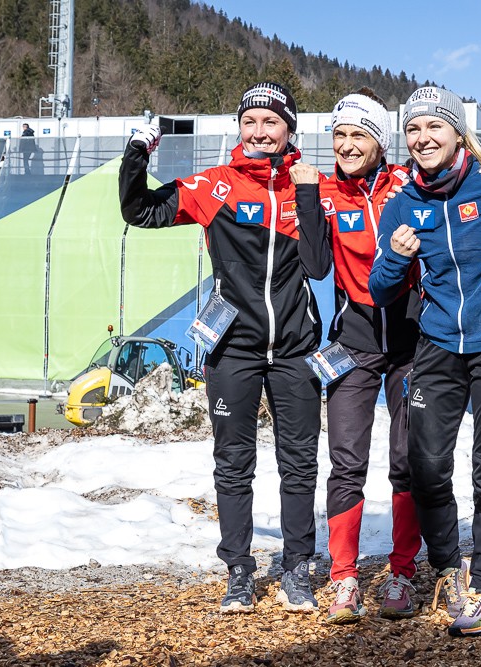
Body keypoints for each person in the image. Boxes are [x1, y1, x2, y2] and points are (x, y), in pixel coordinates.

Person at [119, 81, 327, 615]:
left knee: (299, 463)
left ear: (290, 130)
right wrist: (138, 152)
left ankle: (297, 567)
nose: (259, 132)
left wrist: (306, 194)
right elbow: (139, 210)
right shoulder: (216, 185)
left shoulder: (312, 186)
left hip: (295, 348)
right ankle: (238, 569)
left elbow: (320, 263)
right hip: (233, 348)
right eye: (249, 121)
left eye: (271, 122)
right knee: (233, 462)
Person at [369, 86, 481, 638]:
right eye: (413, 129)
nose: (423, 138)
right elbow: (380, 288)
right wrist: (396, 256)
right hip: (435, 344)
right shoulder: (402, 202)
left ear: (458, 133)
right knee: (426, 465)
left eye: (434, 126)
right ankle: (448, 567)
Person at [291, 89, 426, 624]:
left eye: (358, 135)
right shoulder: (325, 192)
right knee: (347, 461)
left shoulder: (408, 183)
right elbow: (316, 266)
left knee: (408, 459)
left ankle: (402, 572)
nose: (346, 145)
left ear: (381, 142)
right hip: (355, 343)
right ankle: (344, 577)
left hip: (411, 342)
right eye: (339, 135)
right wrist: (306, 197)